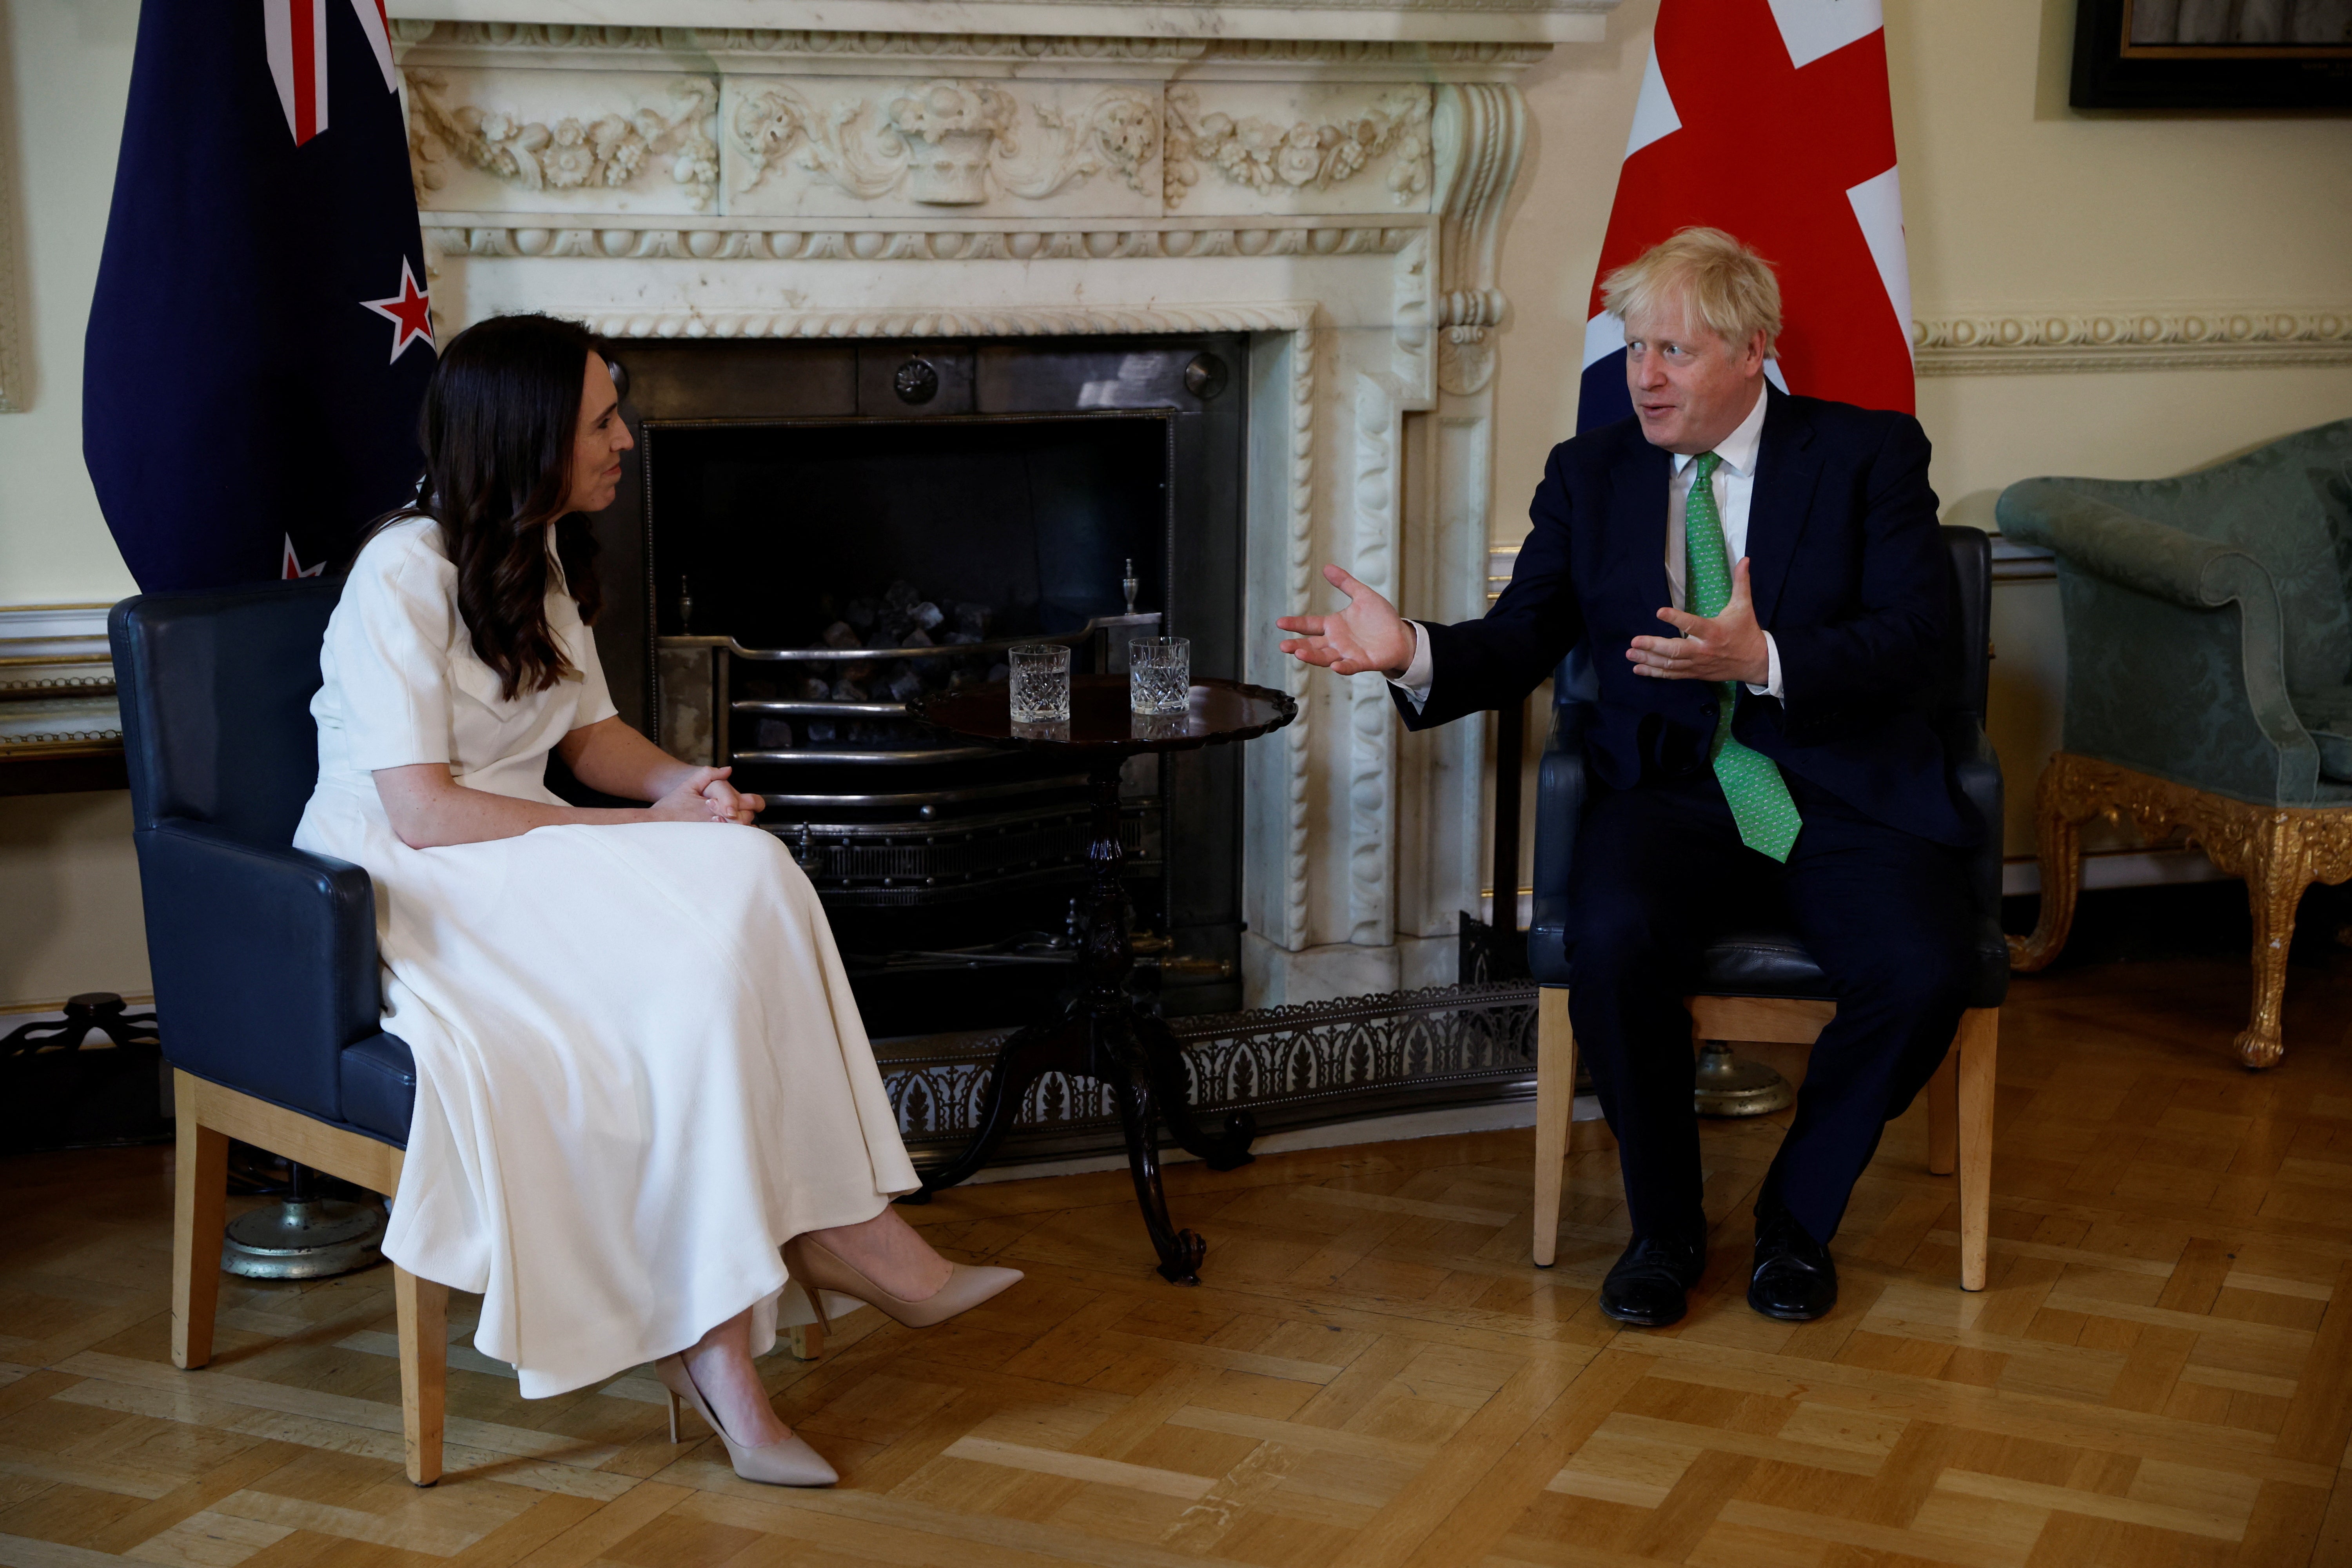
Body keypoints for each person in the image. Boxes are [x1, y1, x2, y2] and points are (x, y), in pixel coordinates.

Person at [292, 312, 1020, 1487]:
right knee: (725, 888)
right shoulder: (402, 574)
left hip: (522, 859)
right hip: (407, 886)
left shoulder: (530, 554)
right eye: (601, 420)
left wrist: (679, 783)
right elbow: (422, 812)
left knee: (747, 867)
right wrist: (635, 831)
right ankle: (821, 1253)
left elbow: (591, 734)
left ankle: (768, 1299)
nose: (626, 439)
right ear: (527, 437)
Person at [1276, 228, 1974, 1329]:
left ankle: (1797, 1217)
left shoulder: (1867, 456)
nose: (1645, 376)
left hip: (1837, 784)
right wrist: (1407, 649)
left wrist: (1768, 661)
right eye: (1636, 347)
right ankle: (1666, 1230)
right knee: (1608, 941)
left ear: (1754, 350)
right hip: (1670, 794)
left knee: (1925, 967)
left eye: (1676, 352)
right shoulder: (1590, 473)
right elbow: (1523, 638)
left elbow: (1924, 641)